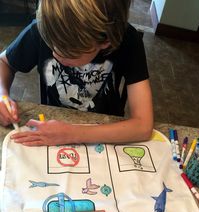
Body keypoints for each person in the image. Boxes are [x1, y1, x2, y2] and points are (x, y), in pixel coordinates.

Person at [0, 0, 153, 146]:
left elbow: (143, 126)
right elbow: (3, 62)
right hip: (51, 123)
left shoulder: (128, 41)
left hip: (105, 130)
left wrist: (73, 134)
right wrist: (2, 94)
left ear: (106, 41)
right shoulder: (43, 27)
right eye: (51, 44)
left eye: (70, 52)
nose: (55, 54)